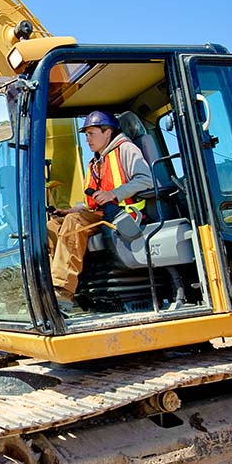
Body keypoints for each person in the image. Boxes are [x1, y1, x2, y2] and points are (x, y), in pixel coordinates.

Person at [47, 110, 154, 313]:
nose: (87, 139)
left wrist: (114, 194)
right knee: (53, 225)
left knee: (74, 223)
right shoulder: (95, 162)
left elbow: (145, 179)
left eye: (91, 133)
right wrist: (68, 210)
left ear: (108, 132)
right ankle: (62, 287)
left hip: (122, 214)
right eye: (85, 135)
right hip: (101, 214)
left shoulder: (126, 149)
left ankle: (63, 291)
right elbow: (92, 205)